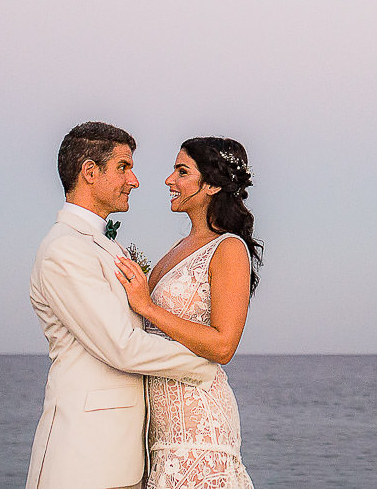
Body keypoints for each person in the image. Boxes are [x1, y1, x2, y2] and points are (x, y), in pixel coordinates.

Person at [28, 122, 220, 489]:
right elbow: (123, 346)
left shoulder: (102, 246)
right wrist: (206, 364)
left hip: (122, 459)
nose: (134, 180)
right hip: (82, 460)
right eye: (123, 168)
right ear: (89, 172)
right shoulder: (64, 250)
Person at [114, 136, 263, 489]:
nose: (169, 180)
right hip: (160, 436)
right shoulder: (178, 249)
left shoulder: (228, 249)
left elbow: (223, 345)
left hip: (199, 433)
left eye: (182, 171)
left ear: (211, 185)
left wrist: (147, 306)